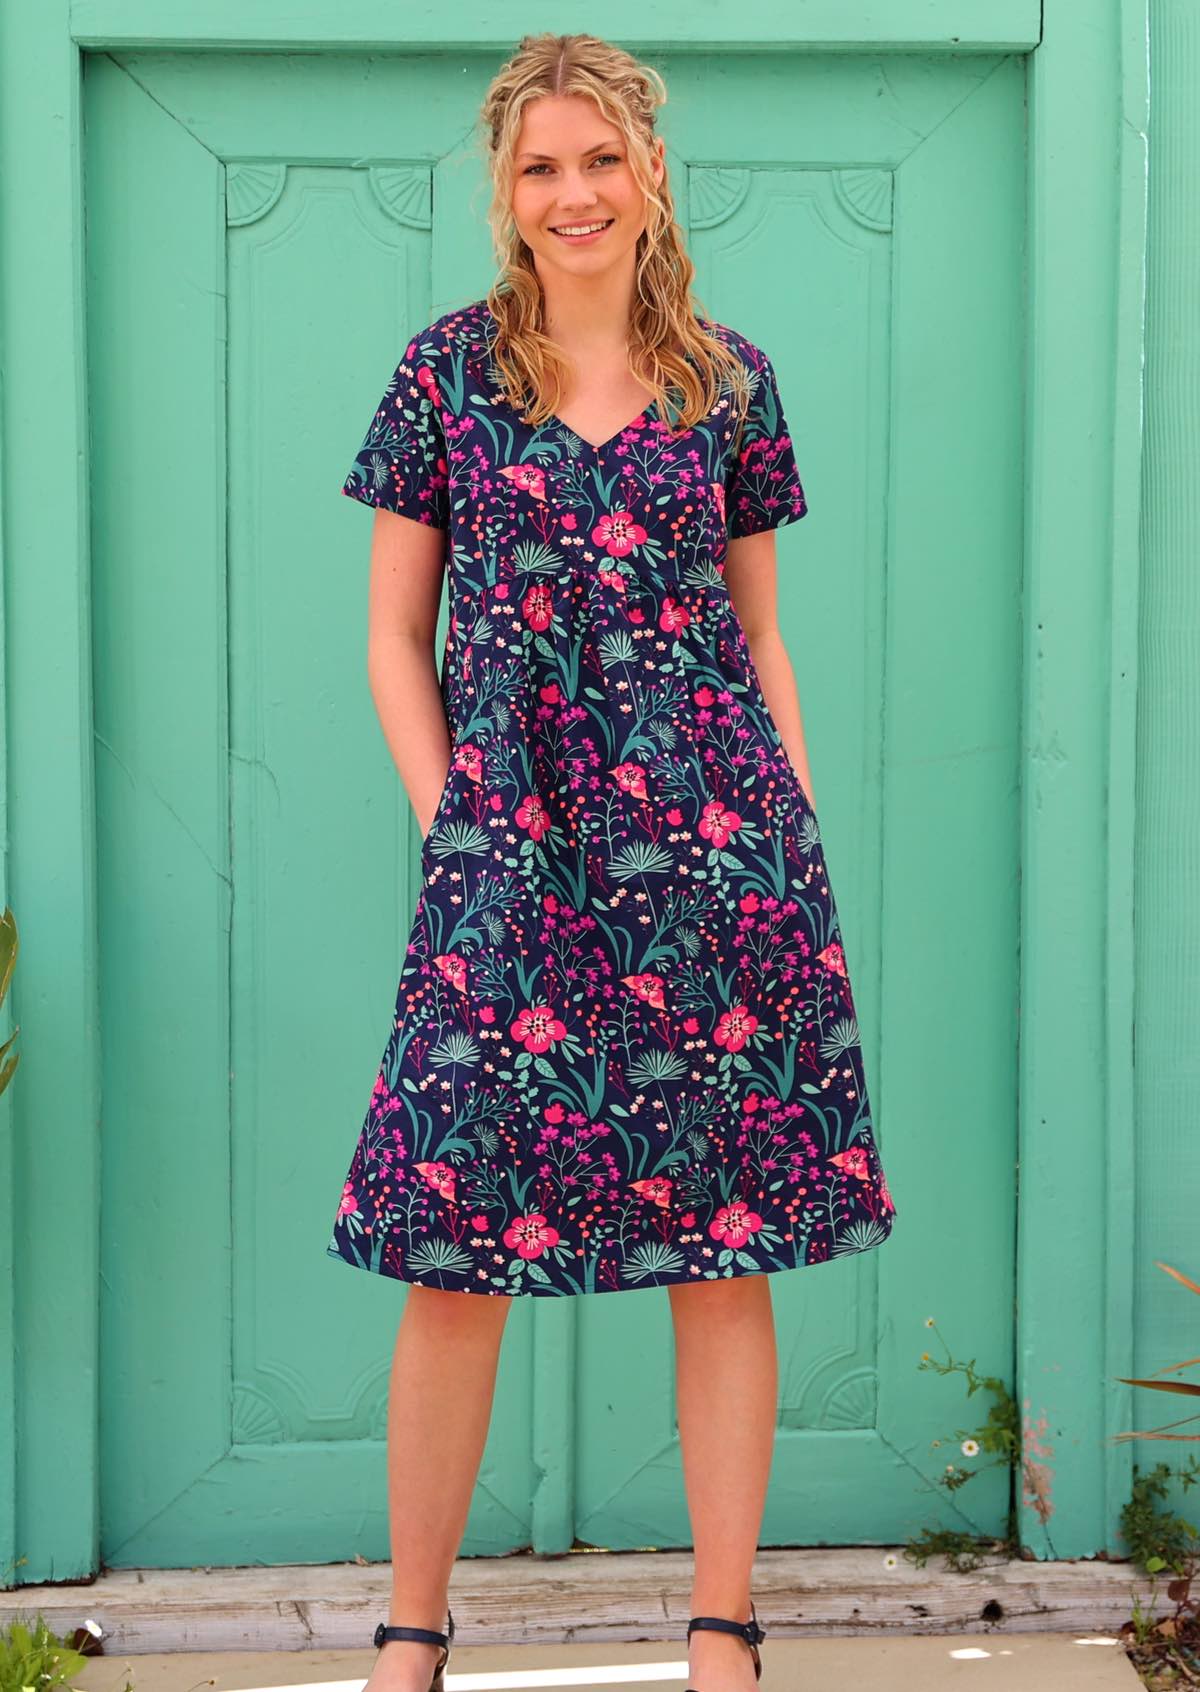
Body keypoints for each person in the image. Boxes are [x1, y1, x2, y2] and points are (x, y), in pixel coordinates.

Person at [327, 31, 898, 1692]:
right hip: (508, 868)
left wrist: (788, 840)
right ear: (505, 194)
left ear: (649, 171)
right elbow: (389, 633)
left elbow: (760, 634)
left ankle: (724, 1641)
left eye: (598, 160)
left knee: (724, 1255)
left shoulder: (733, 380)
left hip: (721, 870)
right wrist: (455, 829)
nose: (572, 194)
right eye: (537, 167)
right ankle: (408, 1641)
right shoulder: (444, 375)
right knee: (453, 1257)